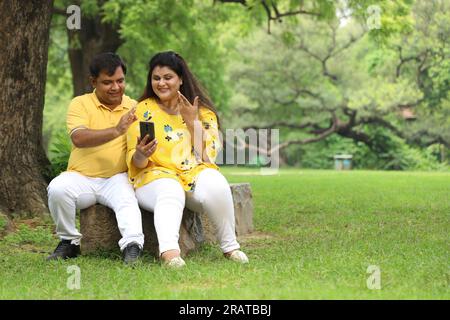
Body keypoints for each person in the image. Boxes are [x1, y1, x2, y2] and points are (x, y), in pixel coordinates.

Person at [126, 51, 249, 268]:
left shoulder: (201, 113)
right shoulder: (141, 111)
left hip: (192, 175)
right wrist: (141, 154)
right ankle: (170, 254)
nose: (161, 83)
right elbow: (136, 163)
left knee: (216, 181)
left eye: (168, 77)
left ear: (181, 79)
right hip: (153, 177)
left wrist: (192, 122)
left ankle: (231, 247)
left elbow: (207, 157)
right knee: (169, 187)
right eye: (156, 78)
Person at [47, 52, 144, 264]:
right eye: (107, 82)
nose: (116, 87)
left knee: (127, 200)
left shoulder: (134, 107)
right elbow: (79, 138)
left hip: (116, 177)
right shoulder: (80, 104)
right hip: (81, 178)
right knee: (57, 189)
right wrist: (116, 130)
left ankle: (132, 247)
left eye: (120, 81)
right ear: (93, 82)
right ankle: (69, 242)